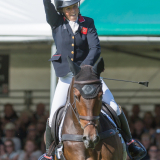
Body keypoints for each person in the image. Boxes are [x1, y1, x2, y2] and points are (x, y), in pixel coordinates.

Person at [41, 0, 146, 159]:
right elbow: (48, 7)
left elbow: (95, 48)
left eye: (74, 6)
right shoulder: (56, 23)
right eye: (68, 8)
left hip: (88, 76)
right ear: (62, 11)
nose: (73, 11)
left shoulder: (88, 22)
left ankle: (130, 143)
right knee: (54, 115)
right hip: (66, 78)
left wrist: (84, 70)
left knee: (114, 107)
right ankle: (49, 153)